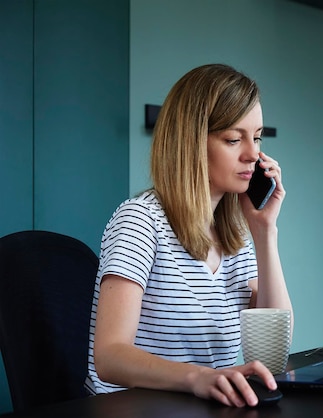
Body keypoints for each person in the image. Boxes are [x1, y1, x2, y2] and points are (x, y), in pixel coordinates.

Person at [85, 63, 293, 408]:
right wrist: (199, 376)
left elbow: (273, 348)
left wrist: (265, 232)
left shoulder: (235, 233)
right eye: (232, 138)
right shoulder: (140, 221)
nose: (253, 154)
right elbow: (109, 356)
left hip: (207, 408)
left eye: (256, 137)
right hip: (135, 410)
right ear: (192, 142)